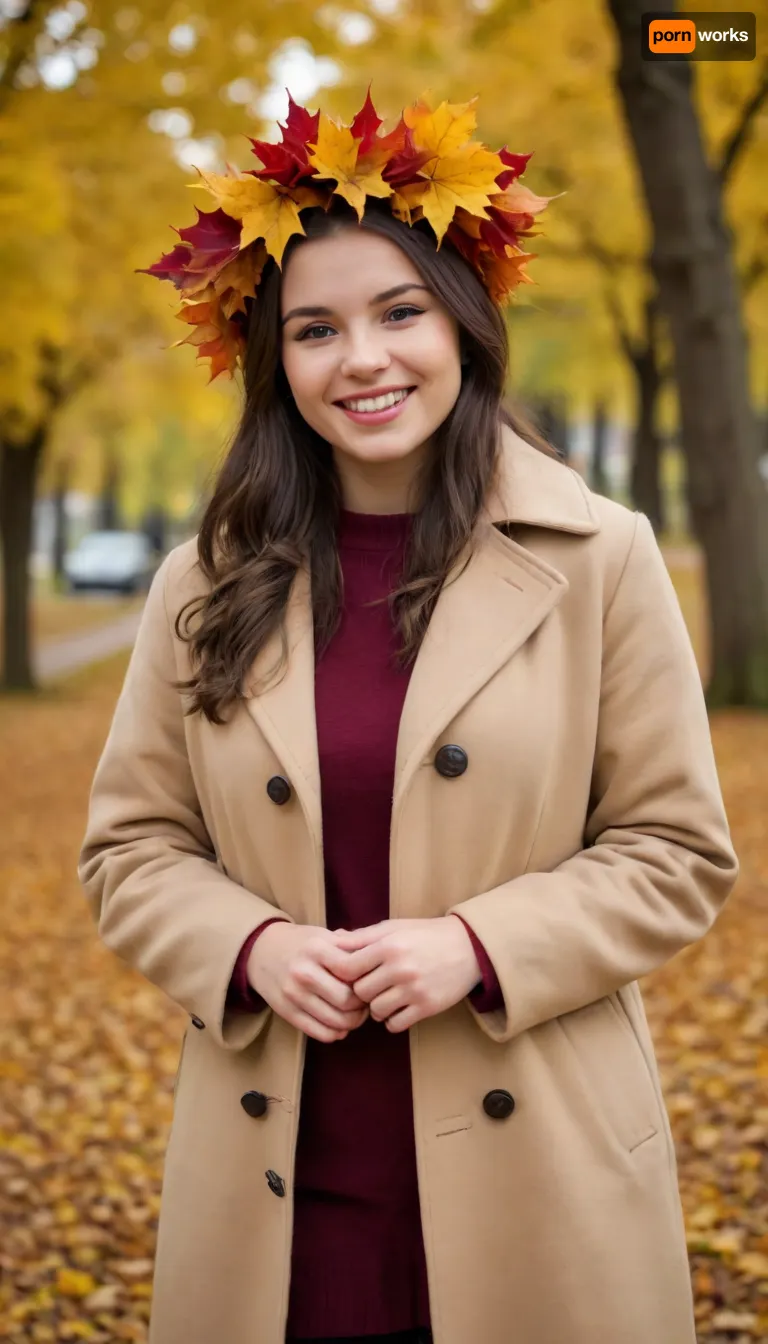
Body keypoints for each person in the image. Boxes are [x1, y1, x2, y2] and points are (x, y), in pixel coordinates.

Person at [78, 89, 738, 1344]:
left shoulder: (602, 557)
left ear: (465, 325)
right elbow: (130, 849)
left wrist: (479, 945)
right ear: (275, 360)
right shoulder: (203, 580)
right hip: (278, 1192)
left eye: (401, 312)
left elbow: (677, 853)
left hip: (540, 1178)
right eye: (317, 329)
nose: (364, 359)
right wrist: (247, 947)